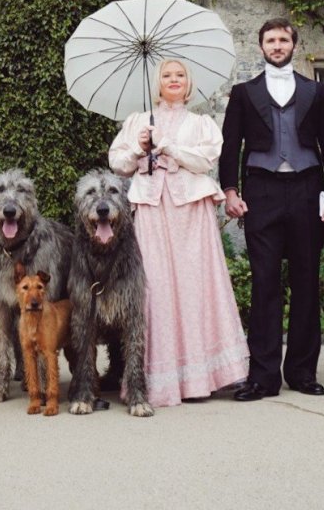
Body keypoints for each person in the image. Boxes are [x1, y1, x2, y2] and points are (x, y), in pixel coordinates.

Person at [108, 58, 250, 407]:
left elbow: (206, 160)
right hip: (152, 212)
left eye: (180, 75)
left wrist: (170, 148)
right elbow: (118, 163)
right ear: (157, 83)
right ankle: (156, 380)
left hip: (190, 213)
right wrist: (140, 147)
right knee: (155, 288)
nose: (174, 80)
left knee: (195, 286)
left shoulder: (201, 123)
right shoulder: (137, 122)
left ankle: (202, 377)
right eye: (167, 75)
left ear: (189, 83)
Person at [218, 18, 324, 402]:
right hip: (262, 191)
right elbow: (230, 145)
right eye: (270, 40)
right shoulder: (243, 93)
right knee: (264, 283)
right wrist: (229, 190)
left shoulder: (316, 92)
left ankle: (303, 372)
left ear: (293, 43)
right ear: (261, 47)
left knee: (306, 282)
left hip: (307, 189)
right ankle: (263, 377)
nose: (276, 45)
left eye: (283, 39)